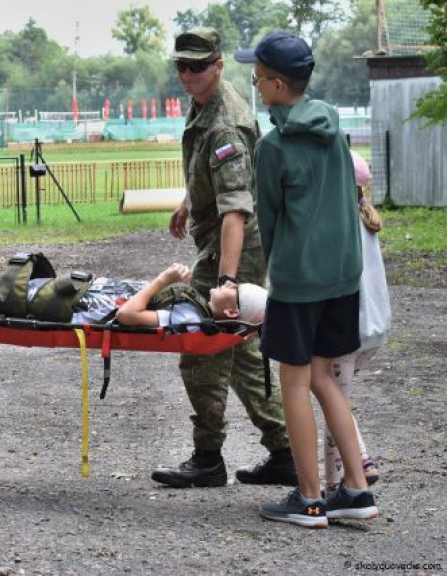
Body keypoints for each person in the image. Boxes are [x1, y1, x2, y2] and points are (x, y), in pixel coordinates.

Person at [245, 31, 378, 528]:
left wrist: (274, 273)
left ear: (278, 85)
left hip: (299, 281)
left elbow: (268, 221)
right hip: (343, 277)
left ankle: (309, 498)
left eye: (258, 78)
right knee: (325, 378)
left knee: (295, 382)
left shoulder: (273, 146)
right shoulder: (336, 131)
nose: (256, 86)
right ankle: (356, 490)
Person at [154, 27, 294, 489]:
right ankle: (285, 451)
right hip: (225, 244)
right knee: (242, 353)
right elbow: (220, 178)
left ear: (218, 65)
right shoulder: (206, 104)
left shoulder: (224, 123)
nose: (187, 74)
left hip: (232, 251)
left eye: (197, 66)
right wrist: (189, 201)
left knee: (200, 346)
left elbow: (236, 209)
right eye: (181, 65)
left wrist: (227, 282)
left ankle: (208, 457)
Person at [0, 247, 267, 328]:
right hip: (79, 295)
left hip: (75, 310)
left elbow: (129, 316)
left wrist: (162, 280)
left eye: (233, 289)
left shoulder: (188, 318)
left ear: (232, 311)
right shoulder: (194, 307)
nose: (227, 284)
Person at [323, 151, 389, 494]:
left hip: (349, 329)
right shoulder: (365, 217)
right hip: (373, 328)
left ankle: (344, 477)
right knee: (336, 394)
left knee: (331, 399)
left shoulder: (340, 221)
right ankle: (348, 473)